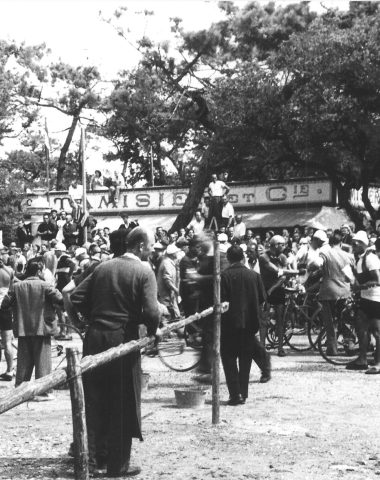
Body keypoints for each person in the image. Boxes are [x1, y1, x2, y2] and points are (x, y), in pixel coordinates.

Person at [71, 227, 159, 477]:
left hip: (95, 339)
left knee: (96, 399)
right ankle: (117, 466)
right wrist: (153, 331)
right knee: (122, 400)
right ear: (140, 246)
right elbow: (153, 312)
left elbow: (76, 296)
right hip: (122, 340)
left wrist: (94, 319)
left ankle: (96, 460)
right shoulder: (144, 271)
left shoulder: (102, 267)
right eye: (151, 246)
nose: (152, 251)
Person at [0, 261, 62, 399]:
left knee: (23, 360)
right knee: (43, 361)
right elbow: (60, 299)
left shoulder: (16, 287)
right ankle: (44, 391)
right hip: (42, 327)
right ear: (39, 272)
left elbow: (4, 305)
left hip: (23, 328)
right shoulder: (45, 285)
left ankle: (20, 391)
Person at [221, 245, 267, 405]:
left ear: (228, 258)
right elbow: (262, 298)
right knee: (245, 360)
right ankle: (243, 393)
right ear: (243, 258)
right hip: (249, 324)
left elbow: (220, 302)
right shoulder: (254, 276)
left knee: (229, 360)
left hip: (229, 325)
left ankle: (235, 395)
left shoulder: (224, 276)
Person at [259, 235, 301, 356]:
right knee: (264, 319)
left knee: (280, 319)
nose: (284, 247)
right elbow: (278, 271)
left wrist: (288, 273)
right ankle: (262, 347)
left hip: (276, 290)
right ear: (275, 245)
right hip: (266, 289)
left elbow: (285, 274)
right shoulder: (264, 257)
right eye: (282, 244)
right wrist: (297, 271)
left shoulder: (282, 257)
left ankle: (280, 348)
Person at [347, 231, 380, 372]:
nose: (353, 245)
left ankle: (377, 363)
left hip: (375, 298)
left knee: (377, 332)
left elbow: (377, 280)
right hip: (366, 298)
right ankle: (362, 359)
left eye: (355, 243)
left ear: (363, 244)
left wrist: (359, 287)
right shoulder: (360, 259)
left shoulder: (370, 258)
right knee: (361, 328)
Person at [317, 230, 354, 356]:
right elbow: (350, 276)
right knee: (345, 319)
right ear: (341, 241)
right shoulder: (348, 256)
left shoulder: (325, 253)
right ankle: (349, 345)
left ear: (329, 241)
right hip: (344, 291)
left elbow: (317, 264)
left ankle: (332, 348)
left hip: (328, 291)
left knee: (330, 321)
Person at [0, 255, 15, 381]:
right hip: (5, 307)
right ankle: (10, 371)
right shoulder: (9, 271)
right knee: (7, 342)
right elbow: (12, 289)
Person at [157, 243, 181, 321]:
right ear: (173, 254)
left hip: (168, 293)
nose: (177, 253)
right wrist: (176, 289)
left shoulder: (169, 262)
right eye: (176, 252)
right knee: (169, 315)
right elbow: (167, 280)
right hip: (166, 293)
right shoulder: (167, 263)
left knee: (173, 313)